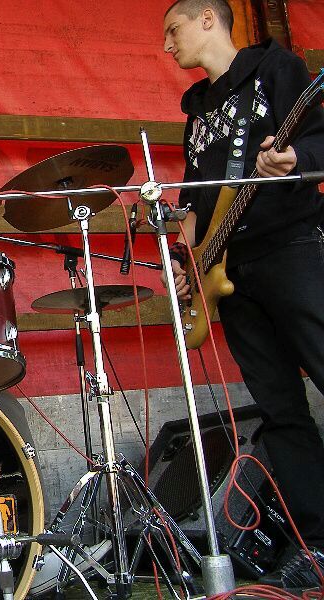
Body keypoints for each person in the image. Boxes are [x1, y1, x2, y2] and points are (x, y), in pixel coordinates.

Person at [163, 0, 324, 589]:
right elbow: (196, 200)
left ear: (208, 18)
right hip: (230, 276)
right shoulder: (196, 114)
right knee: (280, 411)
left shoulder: (277, 68)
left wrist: (294, 157)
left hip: (290, 249)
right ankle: (319, 543)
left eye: (173, 30)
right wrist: (186, 262)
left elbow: (319, 139)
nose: (167, 45)